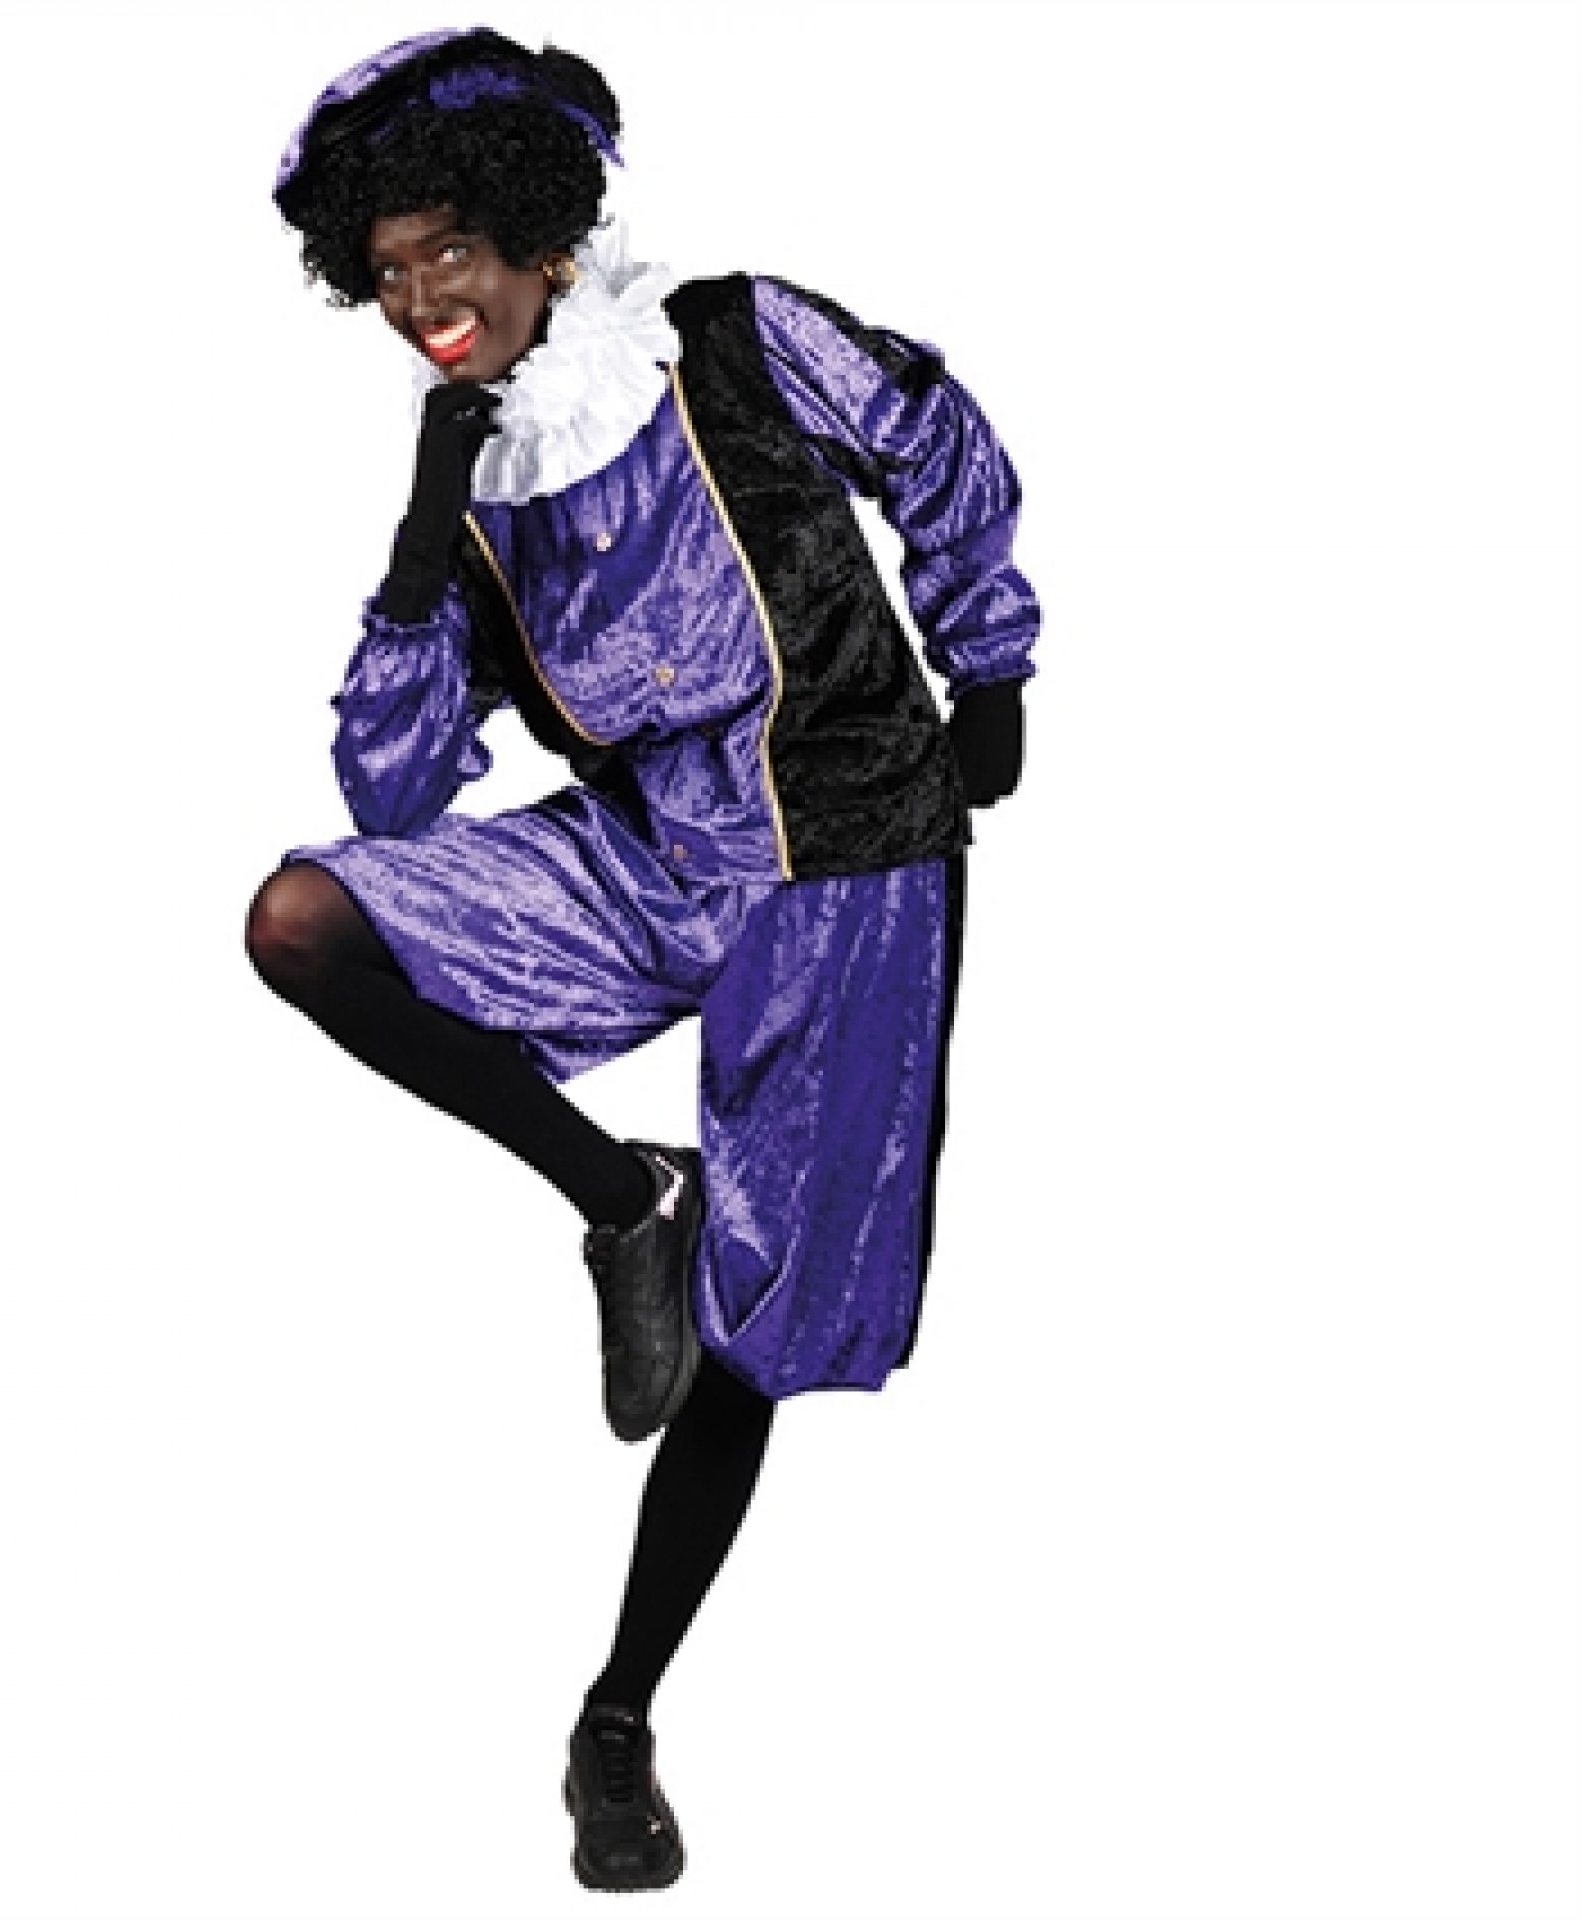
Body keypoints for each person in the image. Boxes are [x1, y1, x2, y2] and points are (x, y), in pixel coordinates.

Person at [246, 27, 1039, 1893]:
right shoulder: (487, 478)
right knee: (303, 923)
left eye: (451, 251)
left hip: (844, 868)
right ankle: (626, 1198)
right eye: (387, 272)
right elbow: (388, 789)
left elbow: (931, 433)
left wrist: (987, 662)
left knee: (756, 1318)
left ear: (540, 234)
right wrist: (426, 527)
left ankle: (615, 1719)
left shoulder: (738, 342)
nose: (422, 301)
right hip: (649, 860)